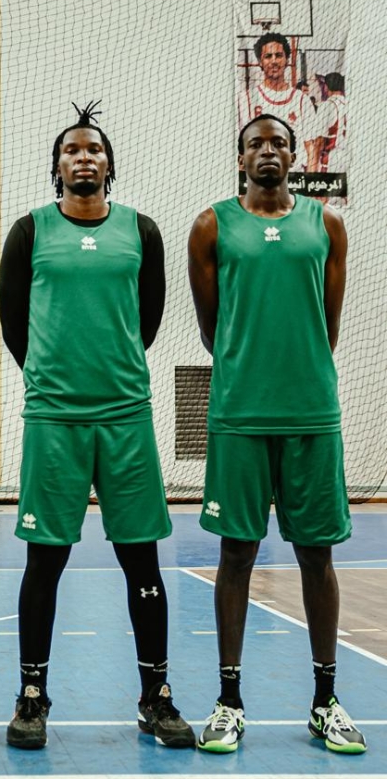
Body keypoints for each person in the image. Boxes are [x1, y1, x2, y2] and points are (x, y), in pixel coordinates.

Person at [0, 103, 194, 751]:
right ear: (57, 168)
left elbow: (150, 321)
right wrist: (55, 378)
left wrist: (109, 373)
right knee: (44, 563)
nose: (84, 158)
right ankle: (32, 696)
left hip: (125, 415)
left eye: (94, 150)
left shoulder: (144, 232)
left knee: (141, 558)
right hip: (56, 415)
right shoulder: (30, 232)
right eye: (72, 151)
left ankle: (155, 696)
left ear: (110, 165)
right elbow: (14, 324)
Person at [188, 113, 365, 755]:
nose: (268, 150)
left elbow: (329, 324)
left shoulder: (327, 224)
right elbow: (212, 329)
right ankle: (230, 700)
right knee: (236, 554)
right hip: (239, 414)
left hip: (311, 414)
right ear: (241, 158)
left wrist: (296, 370)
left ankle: (326, 701)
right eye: (255, 143)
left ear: (295, 156)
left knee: (317, 556)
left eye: (278, 142)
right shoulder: (212, 226)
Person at [237, 33, 309, 171]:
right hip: (259, 179)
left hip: (294, 178)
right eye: (268, 56)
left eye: (279, 55)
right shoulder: (246, 99)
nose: (274, 61)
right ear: (260, 62)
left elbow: (312, 147)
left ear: (287, 59)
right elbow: (240, 147)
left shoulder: (301, 100)